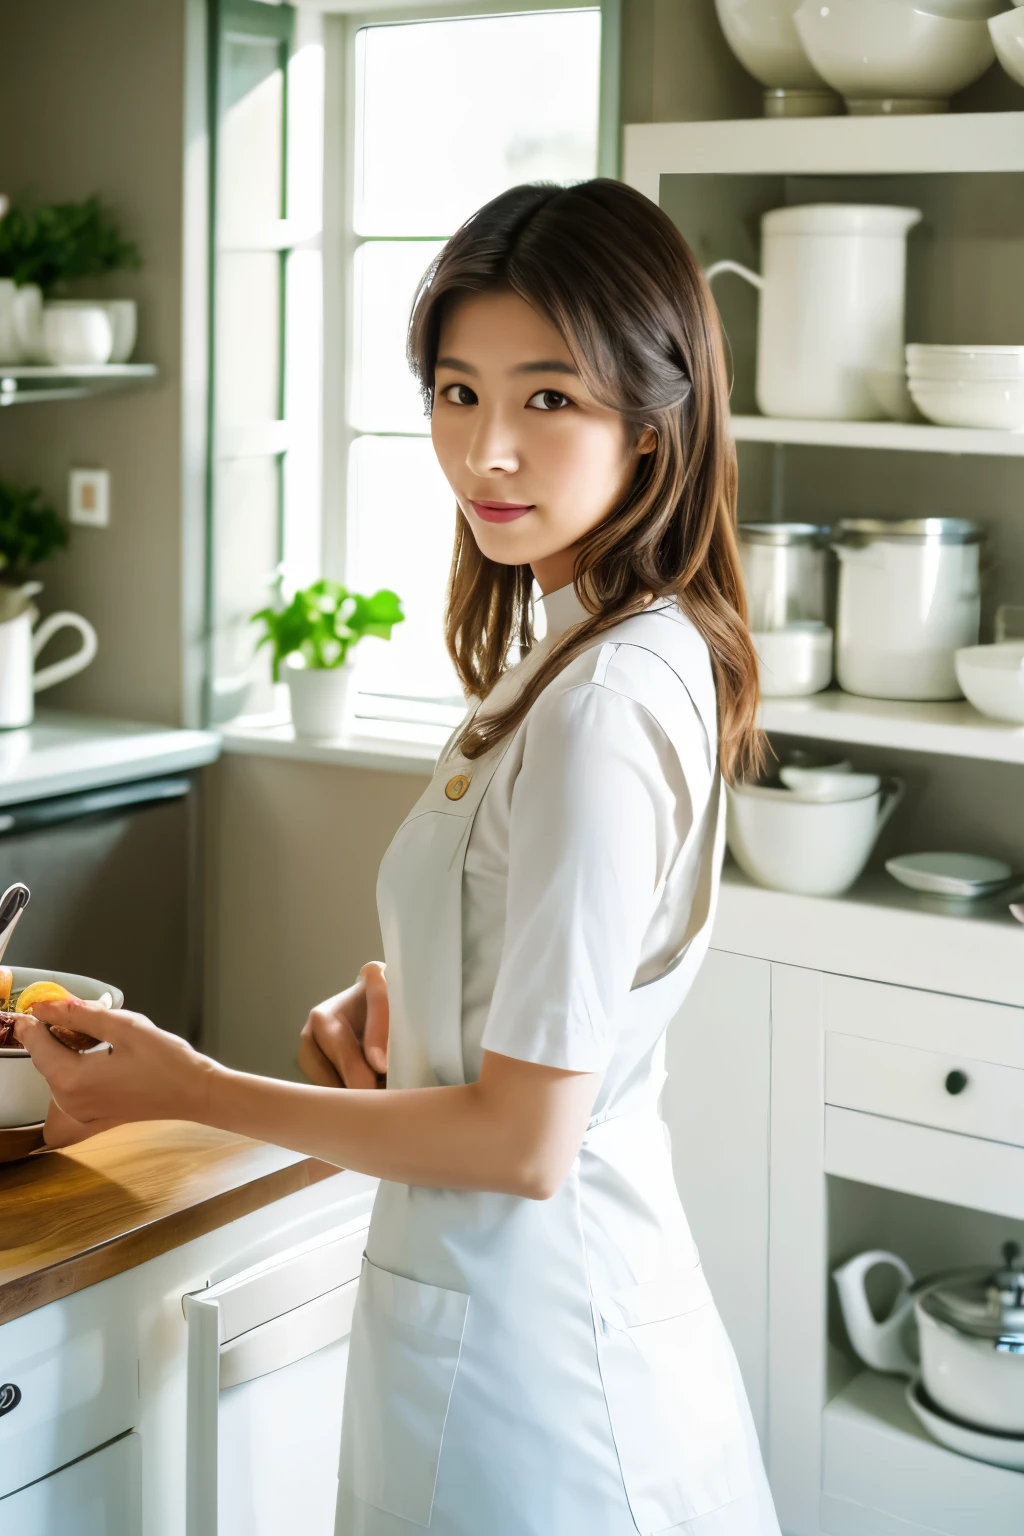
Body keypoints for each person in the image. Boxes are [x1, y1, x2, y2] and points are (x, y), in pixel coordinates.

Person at [17, 179, 781, 1536]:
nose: (486, 451)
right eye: (455, 392)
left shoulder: (599, 701)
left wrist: (191, 1091)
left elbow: (527, 1138)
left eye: (548, 399)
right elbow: (549, 1005)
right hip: (521, 1325)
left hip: (546, 1384)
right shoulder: (591, 648)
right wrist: (419, 1012)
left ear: (652, 416)